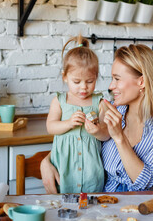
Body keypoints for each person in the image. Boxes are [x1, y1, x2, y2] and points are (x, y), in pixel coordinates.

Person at [41, 44, 153, 193]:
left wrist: (119, 137)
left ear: (141, 82)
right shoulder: (112, 109)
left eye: (117, 79)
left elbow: (144, 183)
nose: (110, 86)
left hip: (139, 205)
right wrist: (46, 162)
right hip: (103, 202)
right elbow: (80, 141)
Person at [46, 34, 110, 193]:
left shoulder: (100, 102)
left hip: (92, 172)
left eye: (90, 81)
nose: (83, 87)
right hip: (64, 168)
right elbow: (50, 127)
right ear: (65, 77)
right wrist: (68, 123)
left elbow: (107, 135)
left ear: (96, 77)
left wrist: (98, 131)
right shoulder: (60, 101)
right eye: (77, 82)